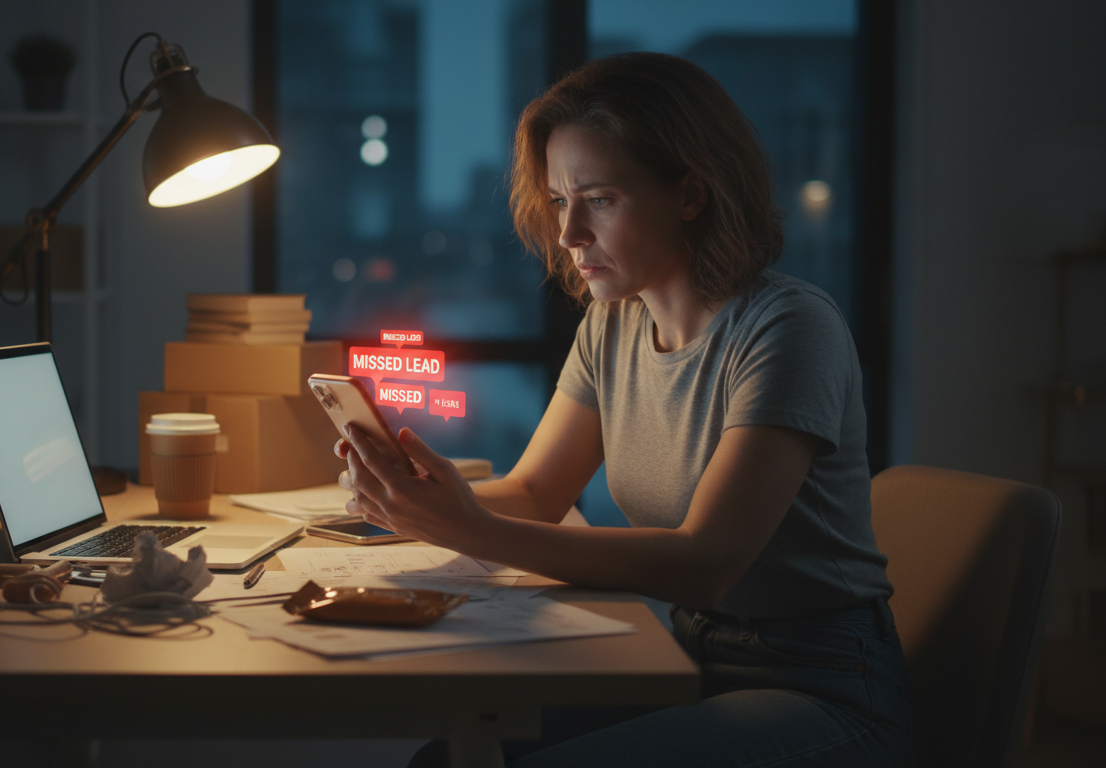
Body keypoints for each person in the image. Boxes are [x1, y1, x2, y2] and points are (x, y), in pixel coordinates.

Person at [336, 52, 911, 767]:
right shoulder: (613, 323)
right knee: (446, 759)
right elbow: (535, 492)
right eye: (559, 201)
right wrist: (411, 502)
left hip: (821, 683)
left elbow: (704, 563)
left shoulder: (790, 329)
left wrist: (469, 527)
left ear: (690, 195)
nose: (569, 233)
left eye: (600, 199)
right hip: (686, 653)